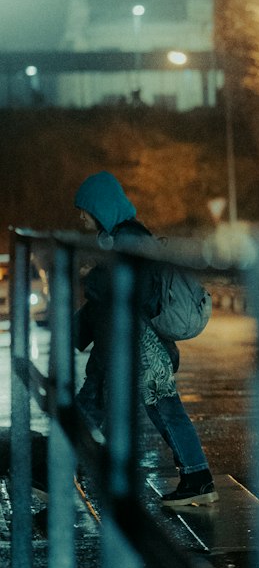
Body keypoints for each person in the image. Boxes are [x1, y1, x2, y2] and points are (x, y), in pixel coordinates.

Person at [73, 171, 218, 509]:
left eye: (84, 209)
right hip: (129, 343)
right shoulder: (123, 236)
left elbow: (118, 290)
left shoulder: (128, 239)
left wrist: (93, 280)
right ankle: (197, 478)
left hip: (140, 346)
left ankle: (196, 479)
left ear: (100, 207)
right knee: (121, 403)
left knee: (159, 408)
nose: (81, 216)